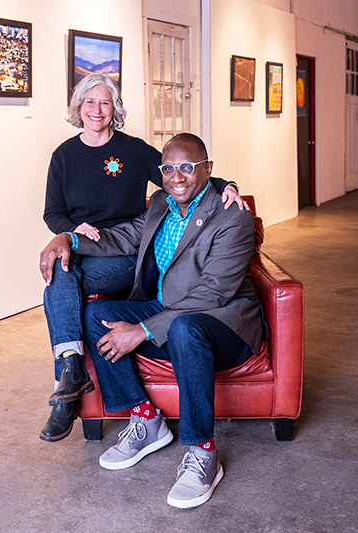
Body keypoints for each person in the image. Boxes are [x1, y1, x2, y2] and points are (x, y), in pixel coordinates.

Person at [39, 133, 263, 509]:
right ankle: (146, 420)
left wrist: (142, 330)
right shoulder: (161, 202)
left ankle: (202, 452)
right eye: (169, 169)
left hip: (223, 323)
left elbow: (214, 294)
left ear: (208, 169)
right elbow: (125, 237)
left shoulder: (232, 216)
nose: (178, 177)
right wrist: (69, 240)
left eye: (188, 167)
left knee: (184, 326)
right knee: (97, 315)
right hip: (167, 309)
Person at [40, 73, 249, 442]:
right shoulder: (68, 158)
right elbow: (58, 212)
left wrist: (226, 185)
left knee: (66, 280)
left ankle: (68, 377)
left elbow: (185, 168)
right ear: (78, 106)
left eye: (104, 102)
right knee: (67, 279)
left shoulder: (137, 153)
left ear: (114, 108)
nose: (96, 109)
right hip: (94, 245)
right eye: (89, 102)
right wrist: (67, 238)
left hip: (137, 268)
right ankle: (81, 374)